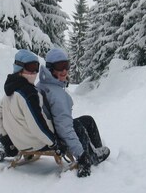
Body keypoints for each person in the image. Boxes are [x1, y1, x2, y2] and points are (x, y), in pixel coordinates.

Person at [36, 48, 110, 178]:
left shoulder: (42, 84)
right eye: (60, 67)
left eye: (66, 65)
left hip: (50, 129)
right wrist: (81, 156)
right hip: (58, 136)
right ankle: (92, 156)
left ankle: (96, 148)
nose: (64, 70)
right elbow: (64, 128)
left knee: (88, 120)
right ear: (50, 68)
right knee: (77, 126)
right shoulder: (57, 95)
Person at [0, 49, 57, 162]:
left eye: (36, 67)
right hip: (38, 143)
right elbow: (37, 125)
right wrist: (54, 143)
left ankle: (5, 148)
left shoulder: (10, 92)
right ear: (19, 68)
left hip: (18, 143)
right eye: (30, 67)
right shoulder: (29, 93)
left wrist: (6, 140)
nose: (34, 72)